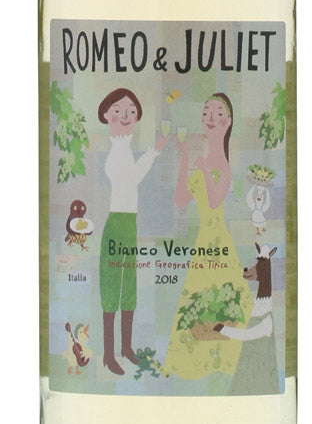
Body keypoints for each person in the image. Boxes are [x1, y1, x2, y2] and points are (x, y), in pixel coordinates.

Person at [163, 93, 253, 381]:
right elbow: (180, 199)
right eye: (206, 113)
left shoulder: (222, 163)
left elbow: (215, 202)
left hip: (217, 238)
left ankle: (221, 360)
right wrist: (185, 158)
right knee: (200, 299)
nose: (210, 118)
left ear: (228, 122)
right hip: (204, 240)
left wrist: (202, 168)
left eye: (217, 113)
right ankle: (200, 361)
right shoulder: (202, 160)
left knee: (224, 299)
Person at [97, 87, 170, 375]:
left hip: (130, 224)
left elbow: (133, 177)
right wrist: (153, 151)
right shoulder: (116, 152)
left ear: (137, 116)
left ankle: (126, 348)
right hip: (116, 225)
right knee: (111, 288)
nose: (126, 115)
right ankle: (108, 354)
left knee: (129, 287)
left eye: (131, 111)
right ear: (106, 115)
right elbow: (130, 179)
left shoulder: (124, 149)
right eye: (118, 110)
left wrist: (155, 149)